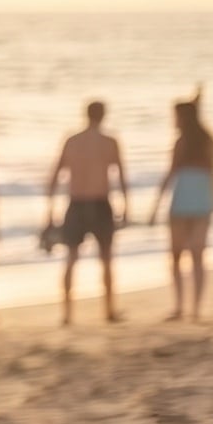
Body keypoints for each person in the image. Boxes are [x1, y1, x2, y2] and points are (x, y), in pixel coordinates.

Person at [45, 101, 132, 326]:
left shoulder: (72, 141)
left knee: (71, 259)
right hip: (100, 203)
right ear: (103, 115)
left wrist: (49, 212)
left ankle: (67, 314)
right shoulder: (109, 142)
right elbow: (121, 175)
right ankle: (109, 310)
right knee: (106, 259)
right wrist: (126, 207)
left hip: (76, 203)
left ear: (86, 114)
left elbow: (54, 177)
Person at [147, 95, 213, 322]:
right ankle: (196, 309)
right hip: (202, 200)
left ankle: (180, 307)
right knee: (198, 255)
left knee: (176, 255)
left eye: (176, 116)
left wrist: (155, 206)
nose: (173, 120)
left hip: (182, 200)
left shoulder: (181, 142)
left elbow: (171, 172)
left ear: (182, 117)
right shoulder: (208, 139)